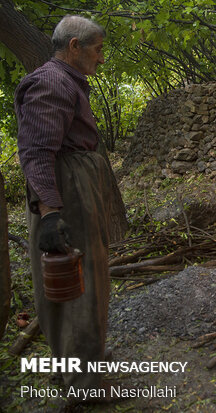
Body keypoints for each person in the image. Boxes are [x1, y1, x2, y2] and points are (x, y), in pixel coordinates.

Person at [15, 15, 120, 393]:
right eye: (98, 49)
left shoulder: (66, 82)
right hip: (67, 194)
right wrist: (50, 214)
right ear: (74, 46)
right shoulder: (50, 82)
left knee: (83, 277)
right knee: (78, 280)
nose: (101, 58)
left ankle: (75, 366)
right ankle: (83, 382)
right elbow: (37, 153)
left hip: (74, 188)